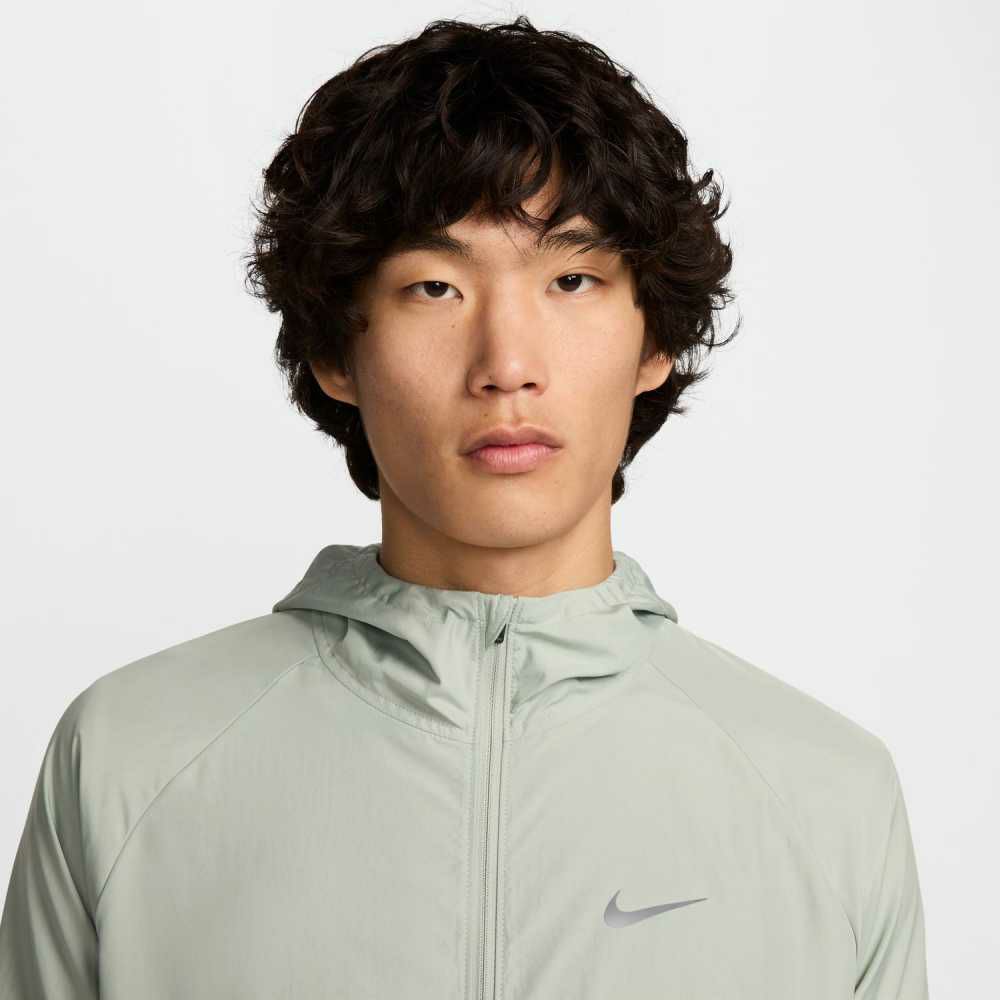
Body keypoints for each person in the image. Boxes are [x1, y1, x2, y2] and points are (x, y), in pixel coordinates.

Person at [0, 15, 928, 998]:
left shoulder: (827, 797)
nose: (507, 365)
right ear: (335, 348)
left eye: (571, 278)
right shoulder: (129, 761)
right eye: (435, 287)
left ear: (655, 339)